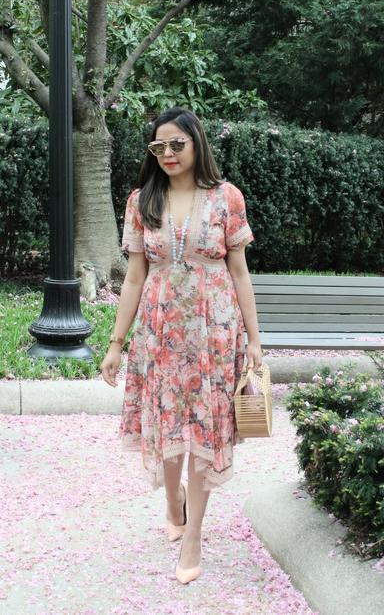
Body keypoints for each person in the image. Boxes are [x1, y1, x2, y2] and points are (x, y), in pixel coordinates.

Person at [100, 106, 262, 584]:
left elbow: (238, 272)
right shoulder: (141, 200)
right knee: (166, 422)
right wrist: (115, 343)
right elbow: (133, 278)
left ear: (196, 143)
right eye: (158, 147)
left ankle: (192, 537)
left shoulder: (226, 198)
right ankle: (174, 502)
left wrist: (254, 339)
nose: (168, 153)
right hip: (160, 332)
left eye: (177, 144)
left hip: (214, 333)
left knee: (205, 429)